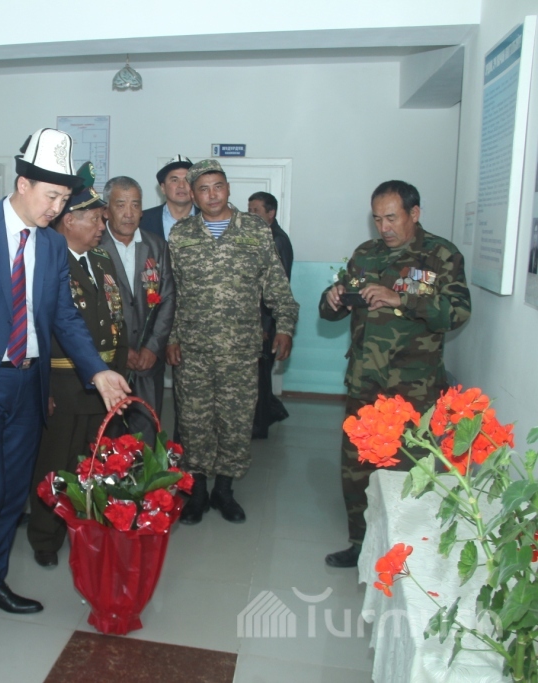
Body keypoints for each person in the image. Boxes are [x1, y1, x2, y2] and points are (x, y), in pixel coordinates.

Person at [0, 127, 131, 649]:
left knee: (13, 495)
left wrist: (96, 370)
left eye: (64, 200)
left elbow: (64, 316)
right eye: (51, 197)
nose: (56, 209)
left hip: (27, 384)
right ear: (22, 184)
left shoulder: (52, 245)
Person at [320, 180, 471, 568]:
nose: (383, 227)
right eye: (377, 219)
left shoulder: (440, 255)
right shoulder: (365, 254)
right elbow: (332, 309)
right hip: (363, 384)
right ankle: (360, 544)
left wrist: (401, 298)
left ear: (414, 213)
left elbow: (457, 313)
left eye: (391, 218)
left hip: (412, 391)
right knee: (356, 470)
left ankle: (402, 554)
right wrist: (332, 299)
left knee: (406, 472)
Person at [167, 159, 298, 525]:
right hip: (193, 349)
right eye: (203, 189)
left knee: (236, 421)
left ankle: (224, 489)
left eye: (218, 187)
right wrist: (172, 336)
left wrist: (285, 326)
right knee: (193, 422)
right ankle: (197, 490)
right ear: (193, 196)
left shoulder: (255, 230)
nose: (212, 195)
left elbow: (276, 284)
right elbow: (171, 292)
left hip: (240, 350)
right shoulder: (181, 234)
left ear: (227, 189)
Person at [28, 162, 128, 568]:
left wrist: (121, 376)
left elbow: (116, 321)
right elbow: (37, 329)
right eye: (95, 219)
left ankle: (88, 529)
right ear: (69, 220)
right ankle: (45, 537)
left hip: (104, 387)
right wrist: (43, 389)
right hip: (64, 385)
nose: (103, 226)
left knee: (96, 464)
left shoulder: (101, 260)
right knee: (55, 465)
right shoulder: (45, 260)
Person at [101, 175, 176, 445]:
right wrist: (122, 349)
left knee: (147, 434)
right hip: (109, 363)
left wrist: (153, 347)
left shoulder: (156, 246)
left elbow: (167, 298)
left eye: (135, 204)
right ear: (106, 210)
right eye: (121, 205)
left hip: (148, 362)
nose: (129, 213)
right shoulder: (94, 246)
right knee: (109, 436)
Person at [248, 191, 295, 439]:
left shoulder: (277, 240)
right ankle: (271, 412)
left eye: (256, 210)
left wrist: (265, 325)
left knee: (260, 376)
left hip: (265, 322)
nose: (251, 215)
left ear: (271, 213)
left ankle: (260, 425)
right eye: (249, 210)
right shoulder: (260, 237)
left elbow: (277, 288)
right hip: (259, 321)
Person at [139, 155, 195, 240]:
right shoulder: (142, 220)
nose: (181, 185)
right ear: (163, 188)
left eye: (187, 180)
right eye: (174, 180)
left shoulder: (208, 219)